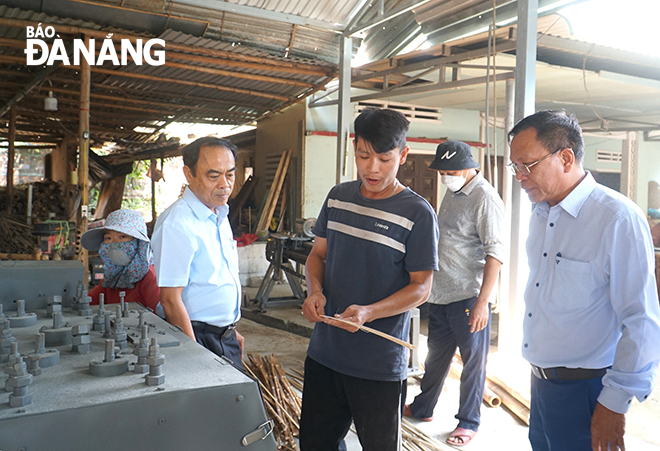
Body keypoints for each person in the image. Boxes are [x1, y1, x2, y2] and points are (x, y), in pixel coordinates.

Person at [508, 110, 660, 451]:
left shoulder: (616, 218)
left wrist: (614, 402)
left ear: (565, 158)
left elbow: (642, 319)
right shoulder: (542, 214)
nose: (519, 176)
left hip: (588, 391)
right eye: (514, 166)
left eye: (526, 165)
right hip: (542, 385)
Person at [300, 108, 439, 451]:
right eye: (363, 156)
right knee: (316, 444)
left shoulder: (417, 213)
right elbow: (317, 255)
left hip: (377, 365)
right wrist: (314, 291)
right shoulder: (338, 198)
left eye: (384, 158)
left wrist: (369, 313)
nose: (372, 168)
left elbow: (422, 287)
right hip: (325, 355)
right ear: (354, 149)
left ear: (403, 155)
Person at [403, 140, 505, 446]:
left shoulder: (484, 198)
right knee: (436, 356)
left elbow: (495, 252)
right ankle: (424, 407)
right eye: (442, 171)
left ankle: (468, 422)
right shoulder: (454, 191)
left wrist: (482, 303)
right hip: (442, 292)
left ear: (469, 166)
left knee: (473, 361)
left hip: (469, 296)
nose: (445, 176)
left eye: (451, 171)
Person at [151, 137, 244, 370]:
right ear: (189, 174)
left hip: (223, 336)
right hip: (197, 337)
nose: (224, 184)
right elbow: (170, 301)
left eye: (230, 174)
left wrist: (230, 329)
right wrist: (193, 356)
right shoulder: (178, 223)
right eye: (213, 176)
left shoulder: (219, 215)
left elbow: (214, 281)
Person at [81, 209, 160, 311]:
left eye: (122, 237)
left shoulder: (151, 278)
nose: (114, 244)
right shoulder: (114, 278)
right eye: (108, 238)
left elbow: (162, 318)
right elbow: (87, 304)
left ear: (139, 243)